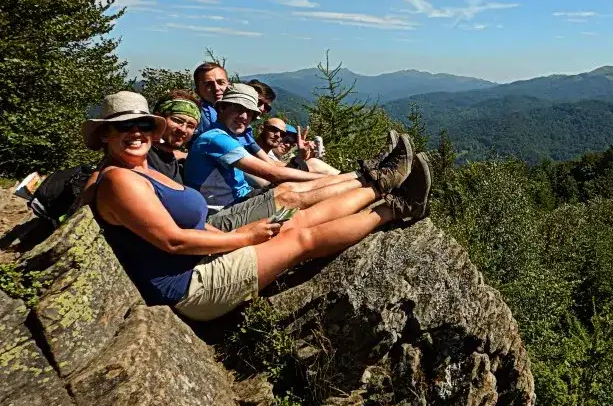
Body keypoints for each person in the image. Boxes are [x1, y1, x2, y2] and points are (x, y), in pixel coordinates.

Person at [81, 91, 432, 321]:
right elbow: (173, 241)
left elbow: (189, 226)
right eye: (123, 127)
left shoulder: (143, 169)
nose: (137, 132)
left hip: (202, 253)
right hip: (191, 286)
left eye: (142, 124)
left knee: (297, 219)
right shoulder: (118, 179)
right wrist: (245, 237)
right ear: (105, 136)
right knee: (299, 240)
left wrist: (240, 235)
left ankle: (379, 189)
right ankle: (396, 207)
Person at [185, 83, 414, 230]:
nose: (244, 117)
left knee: (290, 189)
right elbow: (271, 172)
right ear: (222, 108)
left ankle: (374, 177)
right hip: (222, 215)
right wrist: (322, 181)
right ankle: (372, 179)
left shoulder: (228, 136)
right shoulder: (215, 138)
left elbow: (272, 171)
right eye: (237, 109)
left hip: (239, 202)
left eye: (250, 113)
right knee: (291, 195)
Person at [256, 117, 340, 176]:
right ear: (262, 129)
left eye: (292, 143)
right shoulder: (263, 153)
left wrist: (305, 157)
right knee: (315, 164)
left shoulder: (279, 158)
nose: (288, 145)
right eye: (286, 139)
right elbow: (279, 169)